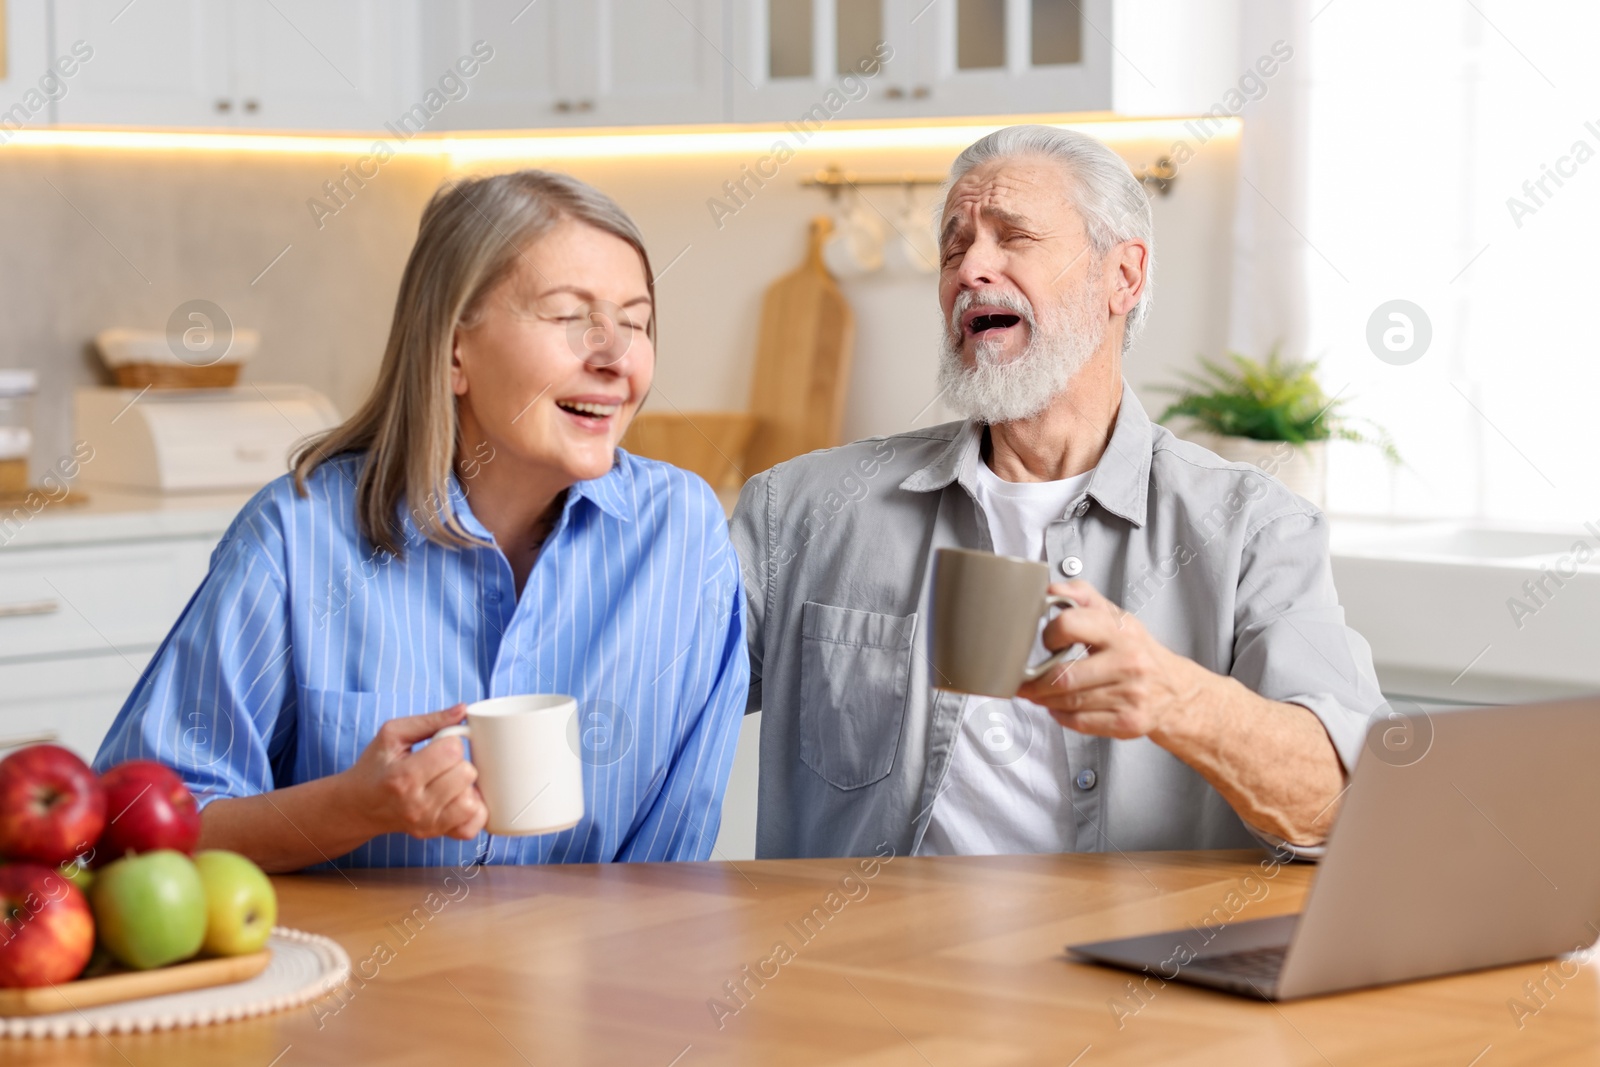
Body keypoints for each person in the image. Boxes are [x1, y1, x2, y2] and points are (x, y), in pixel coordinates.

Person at [731, 125, 1384, 861]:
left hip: (1133, 970)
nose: (971, 267)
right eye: (953, 246)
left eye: (1013, 237)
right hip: (872, 965)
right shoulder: (803, 511)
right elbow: (648, 702)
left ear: (1123, 277)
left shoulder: (1253, 528)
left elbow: (1344, 802)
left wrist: (1175, 698)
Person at [96, 170, 748, 871]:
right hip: (346, 977)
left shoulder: (682, 533)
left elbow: (673, 853)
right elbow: (132, 830)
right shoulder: (297, 536)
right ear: (453, 349)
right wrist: (350, 807)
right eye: (571, 317)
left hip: (601, 975)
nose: (616, 356)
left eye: (636, 322)